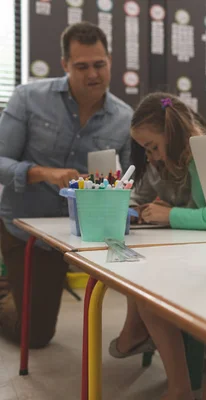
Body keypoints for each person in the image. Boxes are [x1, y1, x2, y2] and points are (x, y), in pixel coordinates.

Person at [0, 22, 132, 347]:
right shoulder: (28, 98)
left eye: (99, 65)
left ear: (110, 61)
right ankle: (8, 292)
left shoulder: (124, 118)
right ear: (64, 65)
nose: (92, 75)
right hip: (25, 229)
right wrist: (44, 173)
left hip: (84, 234)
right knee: (35, 336)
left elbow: (125, 183)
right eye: (81, 66)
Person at [110, 93, 206, 400]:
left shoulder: (202, 156)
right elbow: (140, 195)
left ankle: (178, 384)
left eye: (153, 147)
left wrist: (170, 215)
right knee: (138, 270)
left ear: (171, 134)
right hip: (189, 250)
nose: (151, 156)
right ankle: (142, 339)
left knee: (149, 291)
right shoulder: (162, 160)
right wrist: (140, 212)